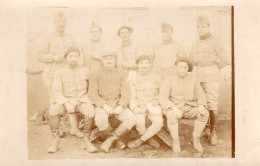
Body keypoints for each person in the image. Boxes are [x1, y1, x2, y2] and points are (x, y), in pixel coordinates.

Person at [37, 11, 81, 138]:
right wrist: (52, 57)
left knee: (71, 97)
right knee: (55, 101)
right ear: (54, 23)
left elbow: (77, 54)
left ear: (66, 23)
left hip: (68, 74)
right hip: (52, 74)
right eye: (58, 22)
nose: (61, 24)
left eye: (63, 22)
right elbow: (39, 56)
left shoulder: (71, 38)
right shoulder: (48, 37)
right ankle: (58, 128)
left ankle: (74, 128)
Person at [189, 15, 229, 146]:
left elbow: (226, 59)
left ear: (208, 27)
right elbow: (190, 61)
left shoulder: (215, 41)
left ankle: (213, 132)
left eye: (203, 26)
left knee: (211, 103)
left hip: (211, 76)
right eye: (198, 27)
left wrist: (213, 67)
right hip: (198, 76)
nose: (201, 29)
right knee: (202, 103)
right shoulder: (195, 43)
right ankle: (205, 129)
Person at [47, 47, 97, 153]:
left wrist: (81, 100)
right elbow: (56, 91)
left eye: (75, 56)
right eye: (70, 56)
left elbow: (91, 88)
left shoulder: (85, 70)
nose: (73, 59)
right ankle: (55, 141)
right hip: (65, 101)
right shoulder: (59, 72)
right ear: (66, 58)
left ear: (78, 58)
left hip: (81, 100)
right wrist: (66, 103)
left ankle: (86, 140)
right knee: (52, 111)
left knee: (90, 111)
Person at [88, 50, 136, 153]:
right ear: (102, 61)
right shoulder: (95, 74)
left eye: (111, 59)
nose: (108, 61)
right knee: (100, 121)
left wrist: (121, 105)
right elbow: (92, 94)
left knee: (132, 118)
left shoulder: (122, 74)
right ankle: (116, 141)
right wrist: (104, 105)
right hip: (102, 104)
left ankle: (109, 140)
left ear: (115, 61)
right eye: (106, 59)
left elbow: (126, 93)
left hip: (117, 102)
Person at [159, 56, 209, 153]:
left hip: (190, 108)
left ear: (188, 68)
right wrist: (173, 107)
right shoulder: (169, 80)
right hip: (175, 108)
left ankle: (196, 138)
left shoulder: (194, 79)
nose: (183, 70)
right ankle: (176, 141)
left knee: (205, 113)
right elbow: (162, 97)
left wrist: (201, 105)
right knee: (171, 115)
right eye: (180, 67)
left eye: (185, 67)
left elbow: (200, 93)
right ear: (176, 68)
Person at [127, 54, 163, 149]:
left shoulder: (157, 77)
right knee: (139, 121)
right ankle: (149, 139)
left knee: (159, 122)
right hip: (140, 107)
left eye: (146, 63)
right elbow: (132, 97)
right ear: (137, 65)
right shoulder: (133, 80)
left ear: (150, 65)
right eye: (141, 63)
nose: (144, 65)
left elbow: (162, 93)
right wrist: (134, 107)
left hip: (154, 107)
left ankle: (141, 140)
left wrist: (158, 100)